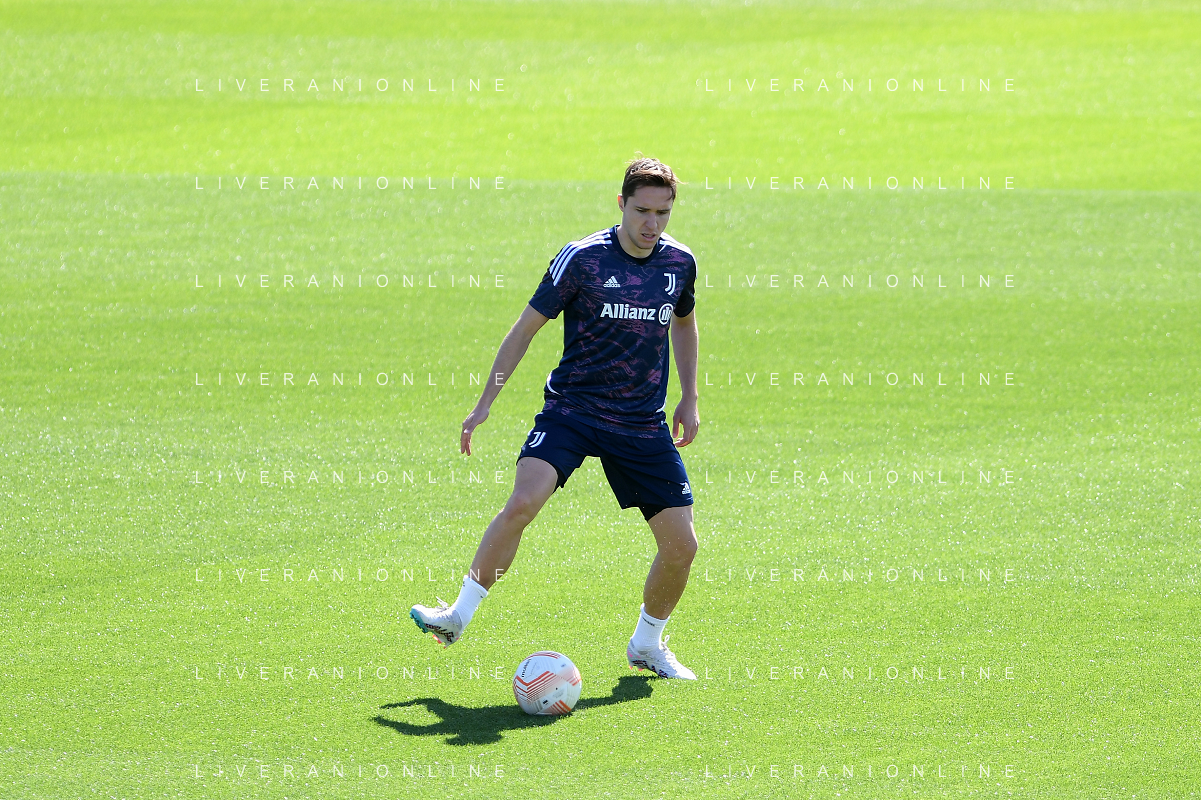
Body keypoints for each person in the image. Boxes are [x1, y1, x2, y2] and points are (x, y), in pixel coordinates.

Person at [410, 157, 701, 679]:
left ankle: (646, 645)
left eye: (662, 213)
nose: (651, 224)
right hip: (574, 410)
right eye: (642, 211)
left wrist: (689, 397)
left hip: (640, 421)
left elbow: (683, 323)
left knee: (682, 547)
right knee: (524, 501)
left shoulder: (679, 263)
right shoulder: (583, 259)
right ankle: (456, 616)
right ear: (621, 204)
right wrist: (485, 403)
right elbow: (524, 330)